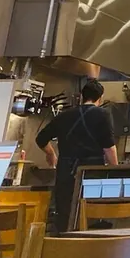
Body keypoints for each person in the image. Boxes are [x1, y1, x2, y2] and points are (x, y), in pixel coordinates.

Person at [35, 79, 118, 234]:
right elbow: (108, 147)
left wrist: (51, 154)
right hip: (91, 174)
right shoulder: (102, 114)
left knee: (65, 215)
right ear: (100, 98)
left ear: (82, 96)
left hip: (65, 173)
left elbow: (41, 139)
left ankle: (62, 244)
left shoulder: (64, 115)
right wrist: (115, 170)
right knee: (89, 216)